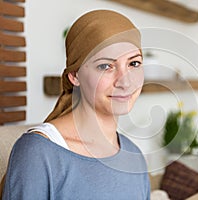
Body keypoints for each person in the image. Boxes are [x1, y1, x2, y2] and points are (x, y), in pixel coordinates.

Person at [2, 10, 150, 199]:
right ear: (74, 75)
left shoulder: (134, 156)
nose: (125, 82)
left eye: (134, 64)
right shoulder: (38, 154)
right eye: (105, 66)